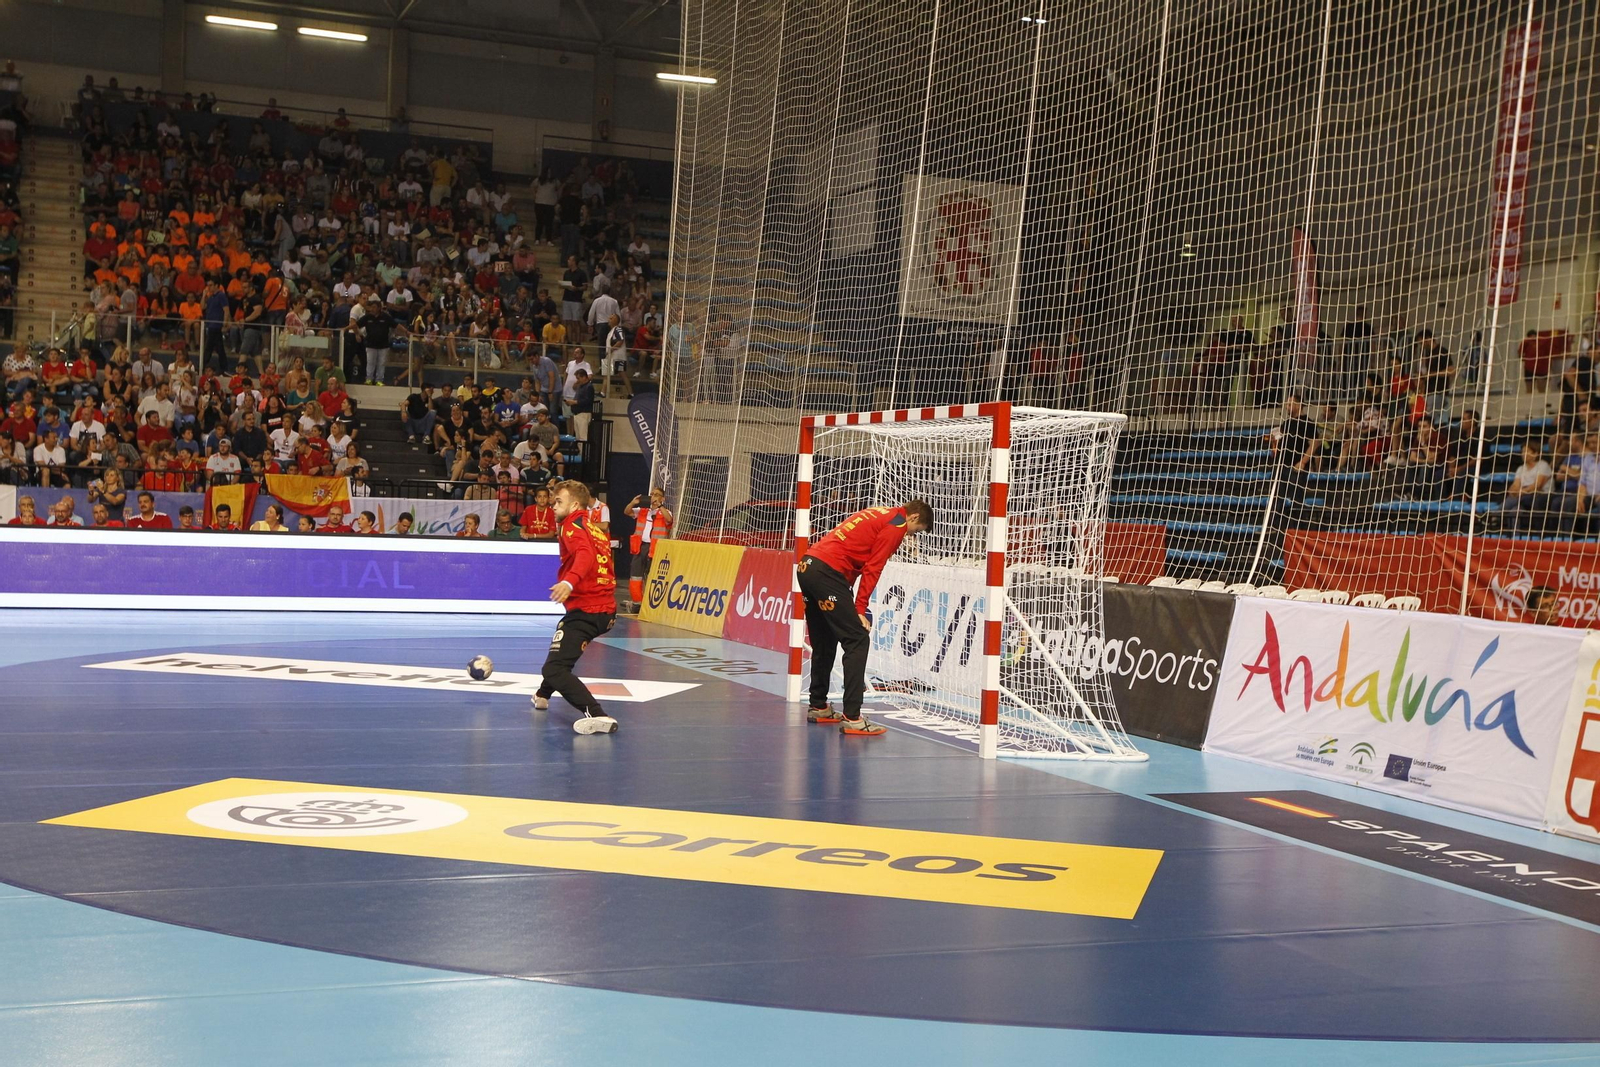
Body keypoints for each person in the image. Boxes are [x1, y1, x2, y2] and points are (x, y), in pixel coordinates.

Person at [798, 499, 933, 736]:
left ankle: (818, 706)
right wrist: (860, 608)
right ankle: (853, 717)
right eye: (916, 530)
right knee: (858, 640)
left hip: (808, 566)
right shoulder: (897, 525)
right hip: (828, 572)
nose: (911, 536)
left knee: (825, 640)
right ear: (913, 518)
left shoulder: (879, 513)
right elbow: (874, 567)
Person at [532, 480, 620, 735]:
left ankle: (598, 715)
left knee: (554, 668)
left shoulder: (571, 525)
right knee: (562, 651)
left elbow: (585, 556)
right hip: (605, 610)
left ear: (575, 504)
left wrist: (569, 582)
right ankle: (542, 694)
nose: (553, 505)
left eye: (558, 501)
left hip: (588, 611)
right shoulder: (593, 527)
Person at [624, 486, 673, 610]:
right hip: (641, 547)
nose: (653, 496)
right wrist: (633, 503)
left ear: (663, 498)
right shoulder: (643, 511)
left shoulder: (665, 512)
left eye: (656, 494)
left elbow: (669, 520)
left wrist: (660, 506)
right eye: (652, 494)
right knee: (636, 576)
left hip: (656, 549)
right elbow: (627, 512)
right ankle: (637, 603)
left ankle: (652, 603)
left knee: (653, 577)